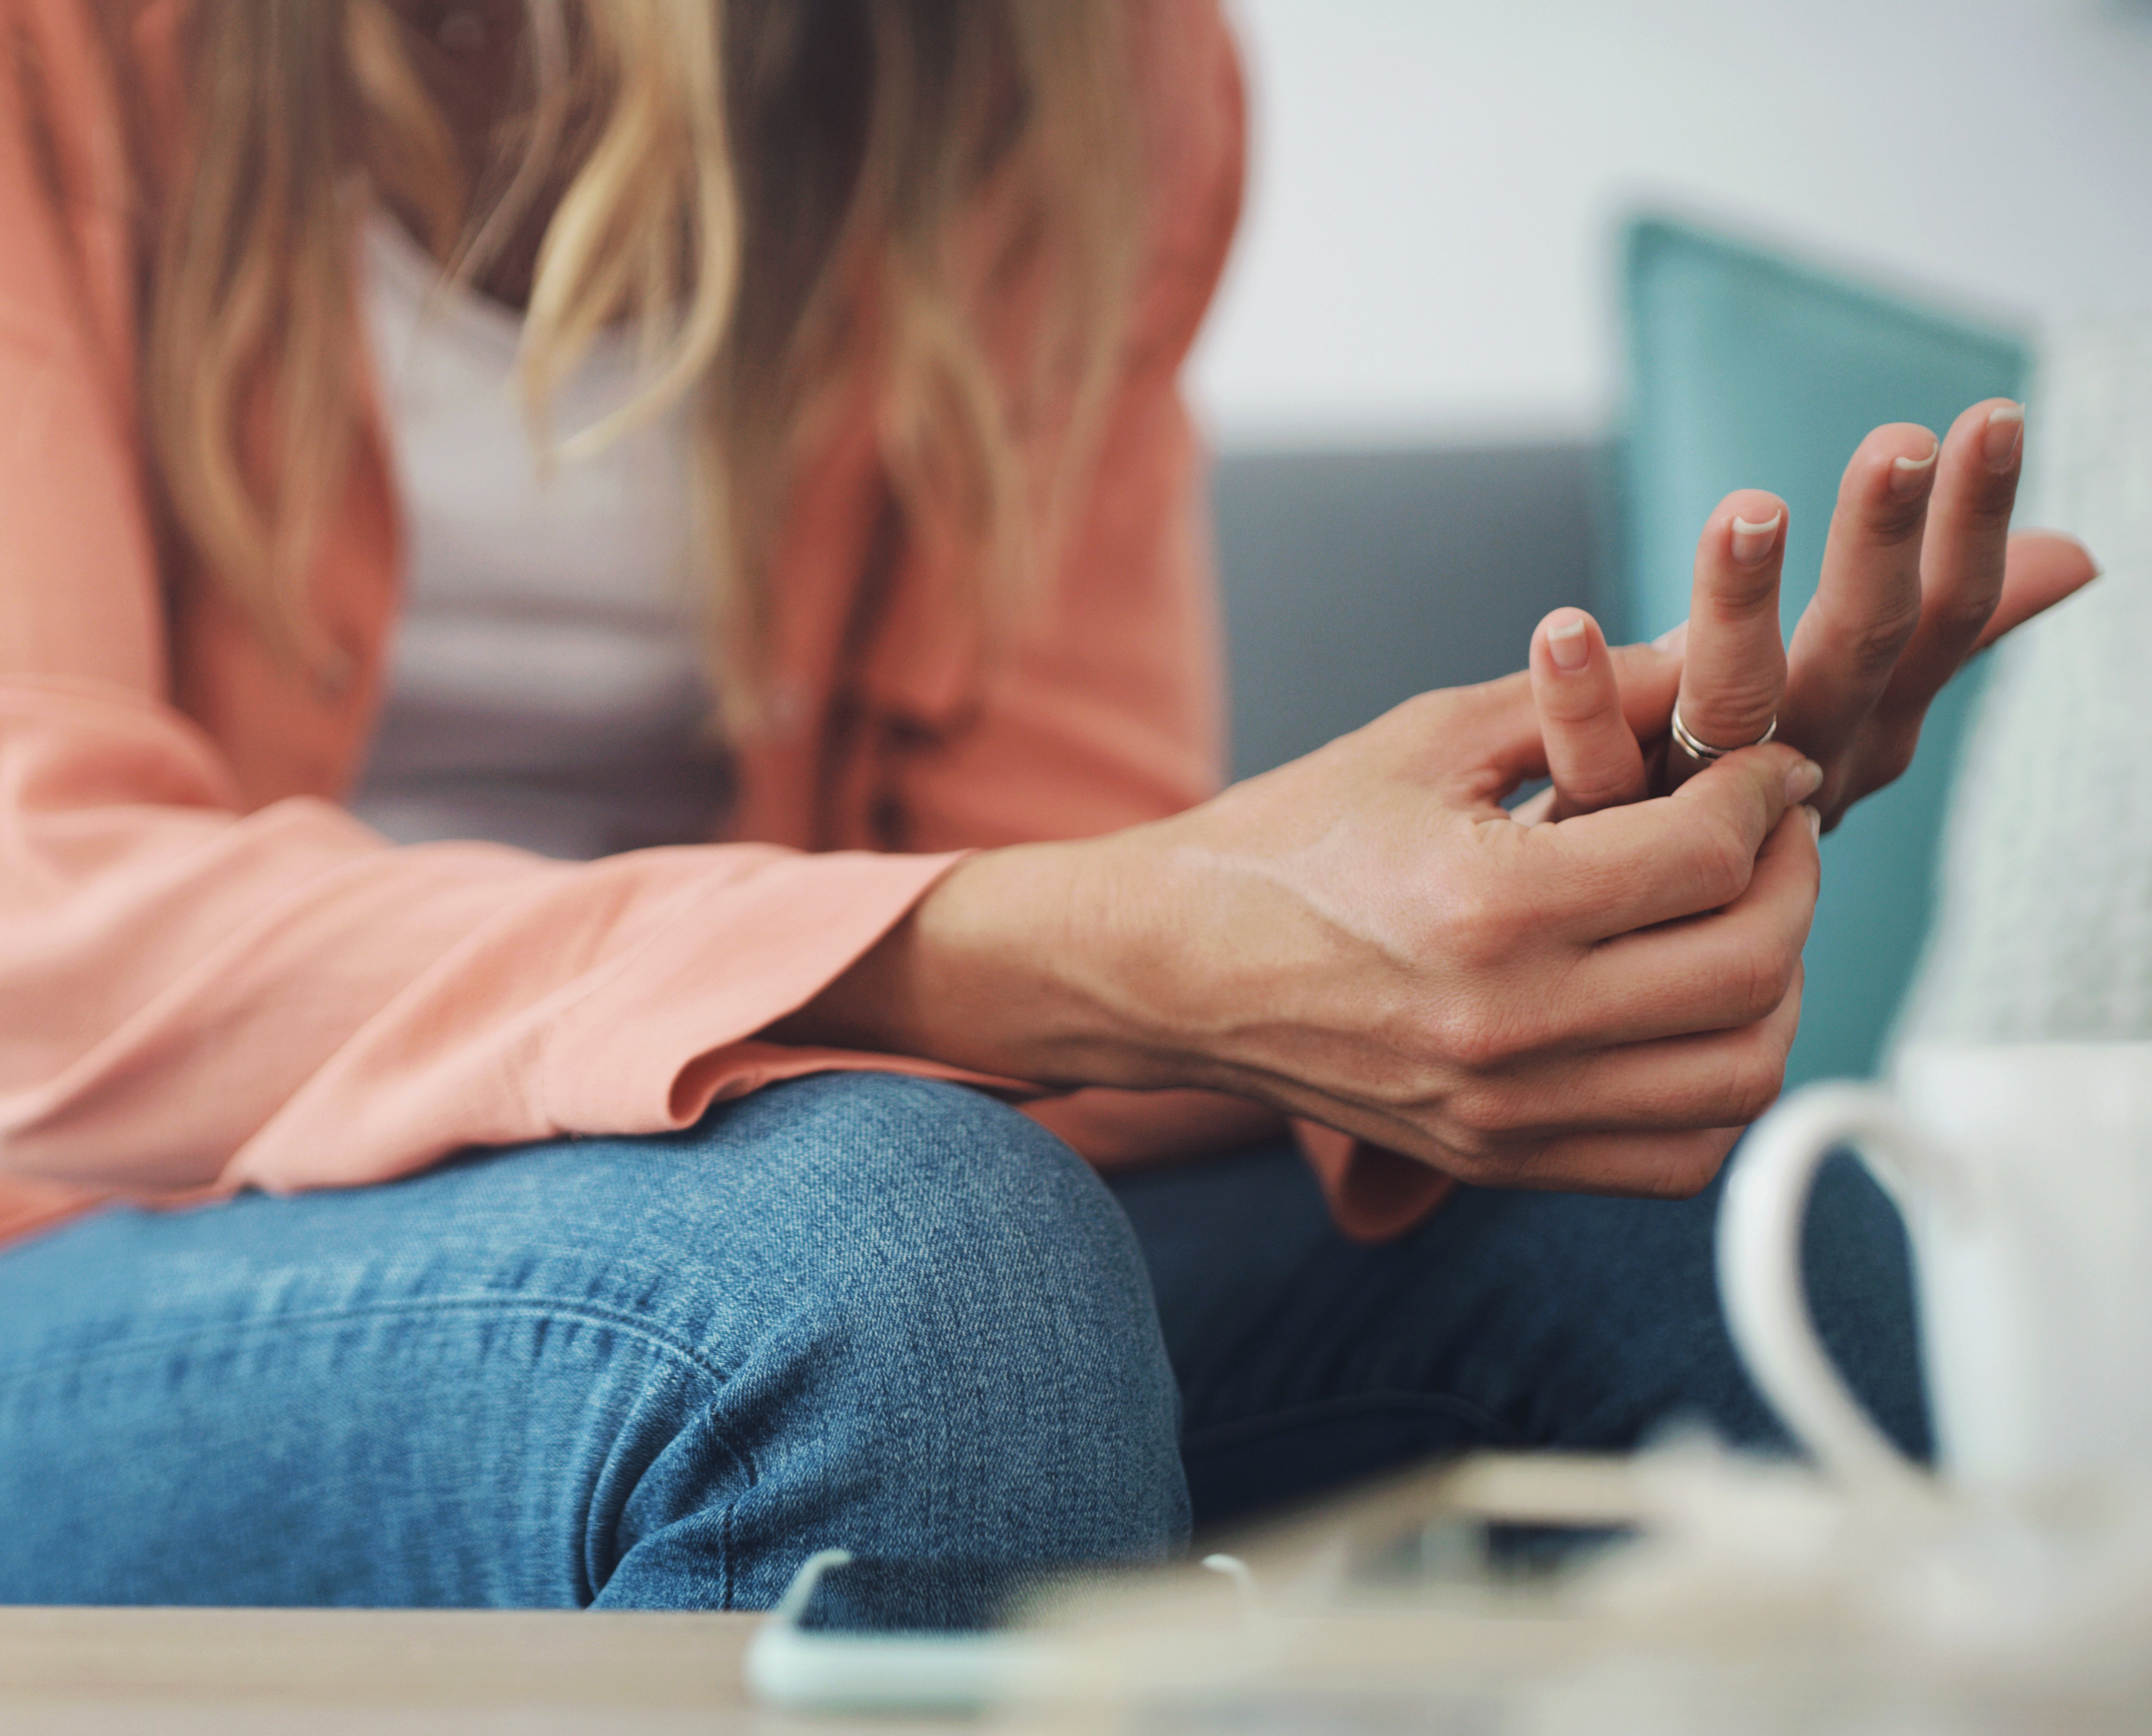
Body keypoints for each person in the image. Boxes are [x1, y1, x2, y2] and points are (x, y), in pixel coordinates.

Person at [0, 0, 2096, 1614]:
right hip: (104, 1232)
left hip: (765, 1168)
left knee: (1735, 1254)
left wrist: (1471, 922)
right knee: (907, 1279)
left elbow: (1071, 958)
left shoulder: (1071, 73)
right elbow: (44, 948)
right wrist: (1091, 940)